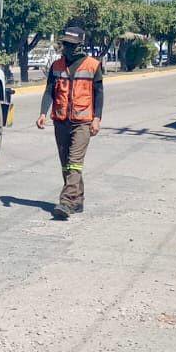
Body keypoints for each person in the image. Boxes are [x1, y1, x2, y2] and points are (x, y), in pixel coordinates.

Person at [37, 22, 103, 219]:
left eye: (72, 45)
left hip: (82, 121)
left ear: (80, 46)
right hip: (60, 120)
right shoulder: (56, 66)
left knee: (74, 162)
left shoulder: (92, 65)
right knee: (66, 163)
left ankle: (66, 202)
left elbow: (99, 93)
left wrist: (97, 118)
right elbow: (49, 90)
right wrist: (42, 113)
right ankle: (77, 200)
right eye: (66, 44)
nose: (68, 48)